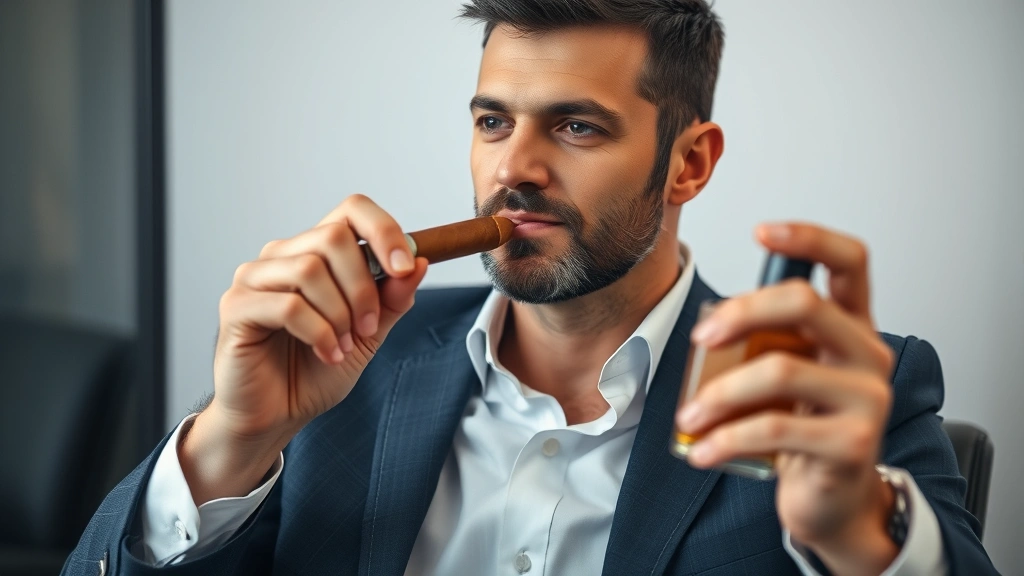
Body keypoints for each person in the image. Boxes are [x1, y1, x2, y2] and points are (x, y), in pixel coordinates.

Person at [63, 1, 996, 574]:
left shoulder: (828, 389)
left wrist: (860, 532)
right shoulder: (341, 358)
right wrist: (232, 440)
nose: (515, 169)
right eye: (492, 121)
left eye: (577, 127)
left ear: (689, 163)